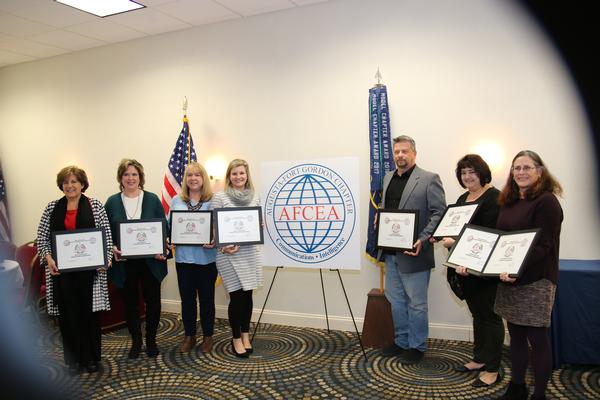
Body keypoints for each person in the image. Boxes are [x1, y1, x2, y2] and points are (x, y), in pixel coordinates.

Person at [494, 151, 563, 400]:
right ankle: (517, 386)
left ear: (539, 172)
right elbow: (500, 241)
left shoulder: (547, 201)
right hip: (509, 279)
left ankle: (540, 394)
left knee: (537, 339)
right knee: (516, 336)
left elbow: (544, 245)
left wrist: (517, 269)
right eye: (516, 168)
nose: (521, 172)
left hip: (536, 279)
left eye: (527, 167)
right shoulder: (509, 200)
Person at [435, 154, 504, 387]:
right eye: (463, 172)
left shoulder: (494, 197)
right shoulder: (464, 198)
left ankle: (493, 369)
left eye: (472, 172)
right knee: (477, 314)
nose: (467, 177)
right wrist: (442, 236)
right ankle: (480, 358)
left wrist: (455, 242)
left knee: (490, 317)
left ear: (482, 172)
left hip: (484, 269)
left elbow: (490, 234)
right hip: (464, 267)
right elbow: (455, 227)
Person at [36, 166, 112, 374]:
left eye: (74, 181)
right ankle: (74, 361)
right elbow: (42, 239)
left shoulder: (94, 205)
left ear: (82, 184)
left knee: (89, 316)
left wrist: (105, 258)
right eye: (66, 182)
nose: (70, 186)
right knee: (68, 318)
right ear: (61, 185)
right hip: (61, 275)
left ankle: (92, 359)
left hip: (90, 273)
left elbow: (106, 235)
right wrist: (48, 258)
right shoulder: (52, 208)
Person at [379, 135, 446, 363]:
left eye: (404, 151)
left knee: (416, 303)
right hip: (391, 252)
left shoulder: (429, 179)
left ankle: (417, 346)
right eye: (397, 151)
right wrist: (381, 217)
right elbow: (385, 206)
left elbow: (439, 212)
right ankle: (401, 341)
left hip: (415, 252)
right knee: (395, 300)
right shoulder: (388, 178)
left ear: (414, 153)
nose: (400, 155)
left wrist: (424, 238)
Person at [105, 159, 168, 359]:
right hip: (124, 263)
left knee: (153, 302)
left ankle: (151, 340)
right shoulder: (112, 202)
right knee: (130, 303)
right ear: (120, 178)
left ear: (140, 177)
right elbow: (106, 232)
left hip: (150, 261)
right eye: (126, 174)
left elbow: (163, 228)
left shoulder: (152, 199)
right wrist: (112, 248)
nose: (130, 178)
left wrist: (162, 247)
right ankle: (136, 341)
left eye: (134, 174)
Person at [210, 159, 262, 358]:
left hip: (250, 252)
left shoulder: (255, 196)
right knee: (236, 297)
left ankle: (245, 334)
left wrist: (259, 226)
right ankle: (235, 338)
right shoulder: (219, 197)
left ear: (247, 175)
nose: (238, 177)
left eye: (241, 173)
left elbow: (256, 223)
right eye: (234, 173)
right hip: (228, 254)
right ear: (229, 176)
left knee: (248, 295)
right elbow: (215, 226)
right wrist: (224, 246)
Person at [170, 162, 217, 353]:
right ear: (185, 179)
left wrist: (214, 239)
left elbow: (218, 227)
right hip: (183, 259)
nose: (193, 178)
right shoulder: (176, 200)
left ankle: (208, 336)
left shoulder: (213, 201)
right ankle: (189, 335)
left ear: (203, 178)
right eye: (190, 175)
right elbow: (170, 226)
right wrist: (169, 238)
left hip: (206, 259)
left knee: (207, 299)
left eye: (197, 175)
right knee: (187, 300)